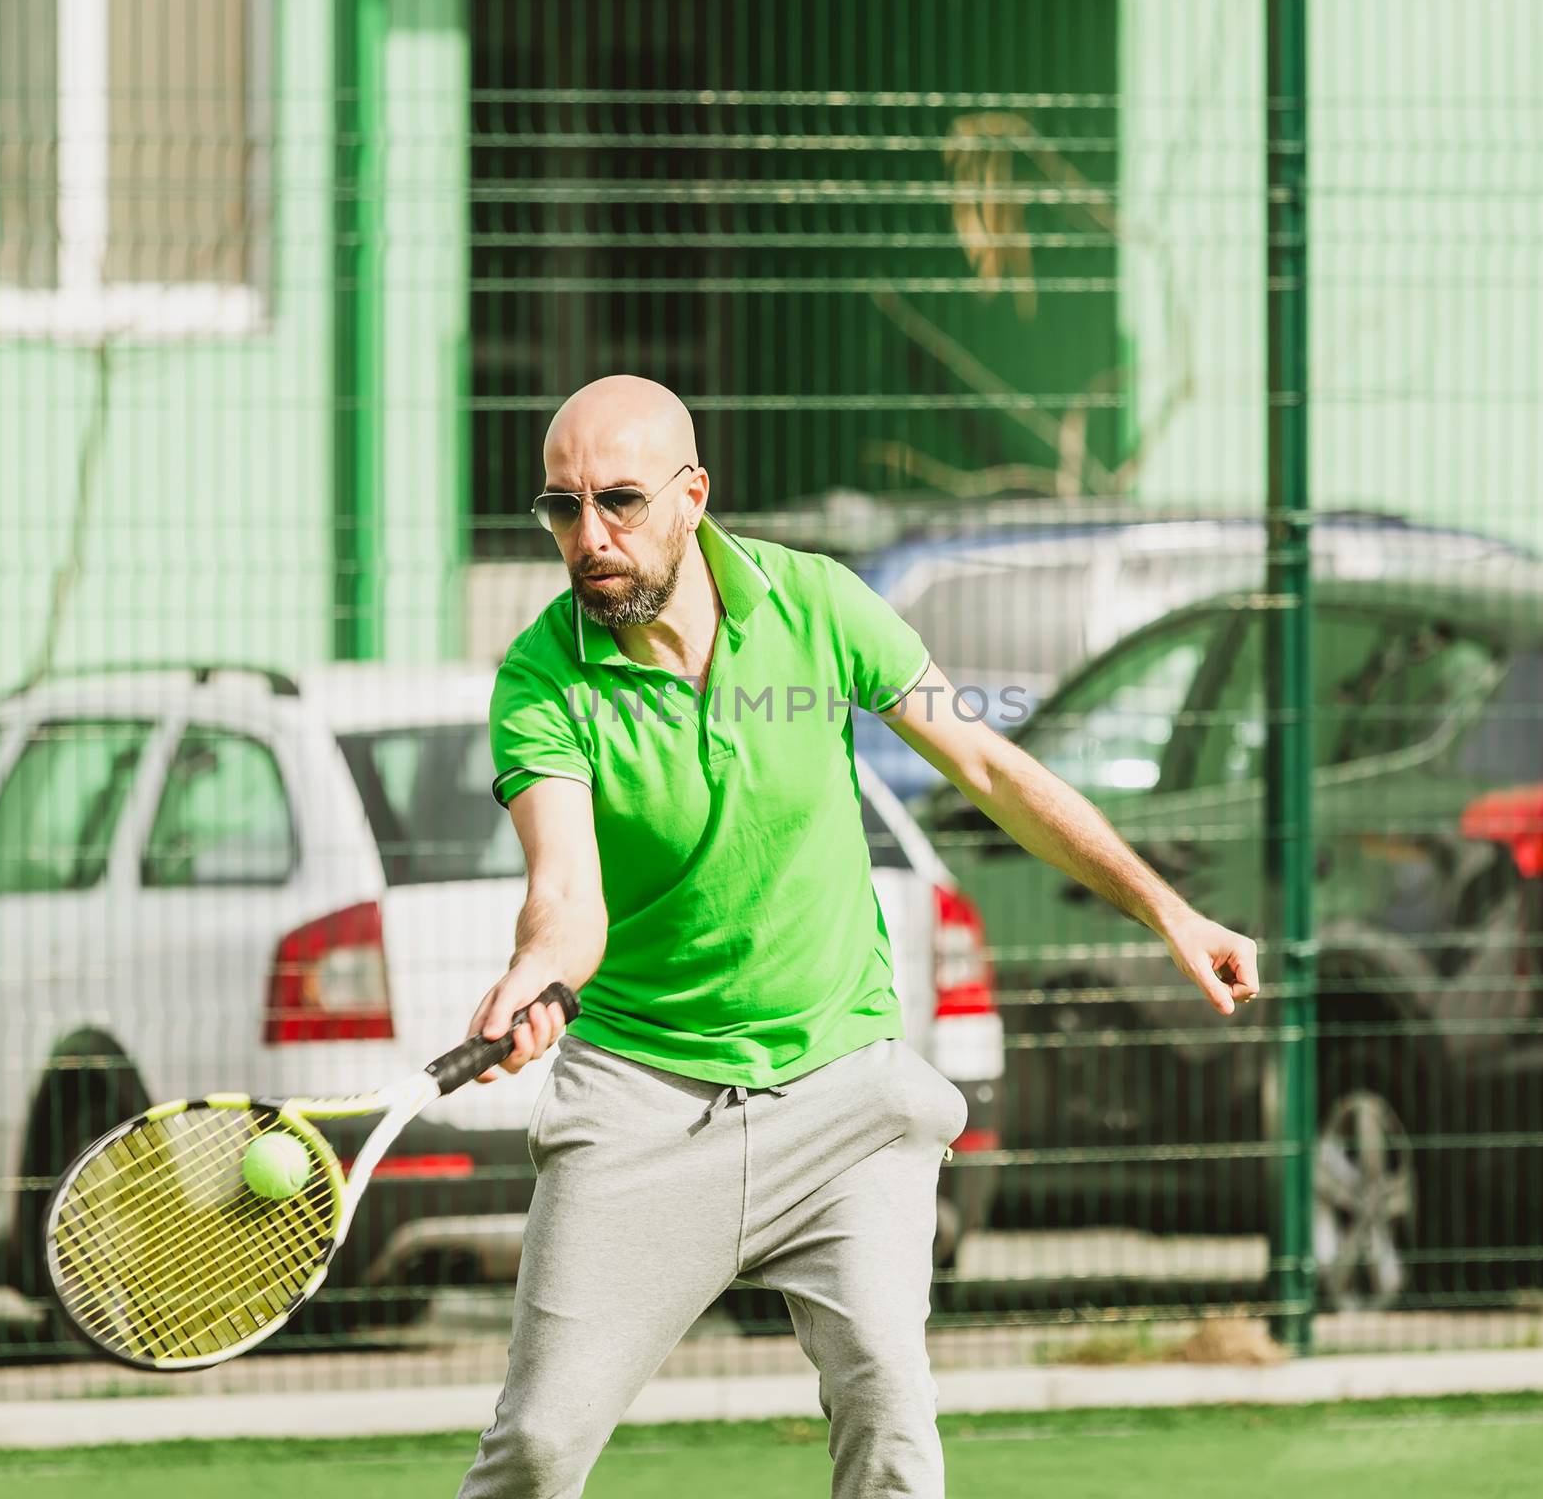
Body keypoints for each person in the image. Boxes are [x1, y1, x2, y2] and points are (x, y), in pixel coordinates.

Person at [456, 375, 1259, 1499]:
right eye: (561, 510)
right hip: (640, 1101)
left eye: (620, 503)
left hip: (840, 1091)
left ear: (693, 496)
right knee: (535, 1449)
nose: (589, 538)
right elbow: (566, 893)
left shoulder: (817, 605)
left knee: (888, 1407)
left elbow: (987, 767)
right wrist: (536, 969)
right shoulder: (543, 679)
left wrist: (1165, 906)